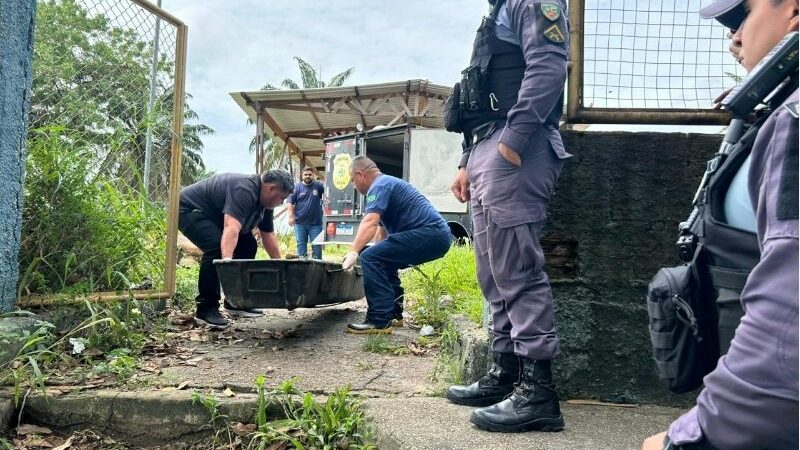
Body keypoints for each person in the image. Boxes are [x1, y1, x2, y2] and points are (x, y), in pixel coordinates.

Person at [643, 0, 799, 449]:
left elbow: (791, 315)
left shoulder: (794, 119)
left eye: (741, 16)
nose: (733, 37)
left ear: (793, 10)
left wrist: (697, 433)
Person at [444, 0, 571, 433]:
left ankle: (538, 393)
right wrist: (467, 159)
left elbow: (550, 66)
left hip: (516, 146)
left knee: (515, 267)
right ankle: (505, 374)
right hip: (486, 146)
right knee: (491, 270)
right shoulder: (498, 11)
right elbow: (480, 93)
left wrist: (514, 138)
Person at [341, 156, 451, 334]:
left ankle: (379, 320)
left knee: (368, 256)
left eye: (352, 181)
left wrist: (354, 251)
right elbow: (381, 231)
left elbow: (370, 221)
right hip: (435, 235)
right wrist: (378, 255)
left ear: (360, 174)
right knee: (379, 258)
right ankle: (393, 314)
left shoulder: (379, 186)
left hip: (430, 233)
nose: (354, 186)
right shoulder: (387, 184)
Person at [178, 170, 293, 328]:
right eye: (282, 198)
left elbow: (268, 235)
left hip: (212, 215)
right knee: (215, 248)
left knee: (248, 244)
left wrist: (281, 266)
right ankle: (206, 308)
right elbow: (231, 227)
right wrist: (226, 263)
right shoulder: (244, 189)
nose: (282, 202)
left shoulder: (265, 203)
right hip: (187, 210)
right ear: (271, 188)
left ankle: (236, 302)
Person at [288, 166, 325, 260]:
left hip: (316, 224)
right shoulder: (296, 187)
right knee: (301, 247)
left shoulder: (319, 186)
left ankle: (318, 271)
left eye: (310, 175)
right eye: (305, 175)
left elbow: (328, 190)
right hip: (300, 223)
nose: (307, 176)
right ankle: (302, 270)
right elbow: (290, 202)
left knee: (317, 248)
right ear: (302, 175)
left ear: (313, 175)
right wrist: (290, 217)